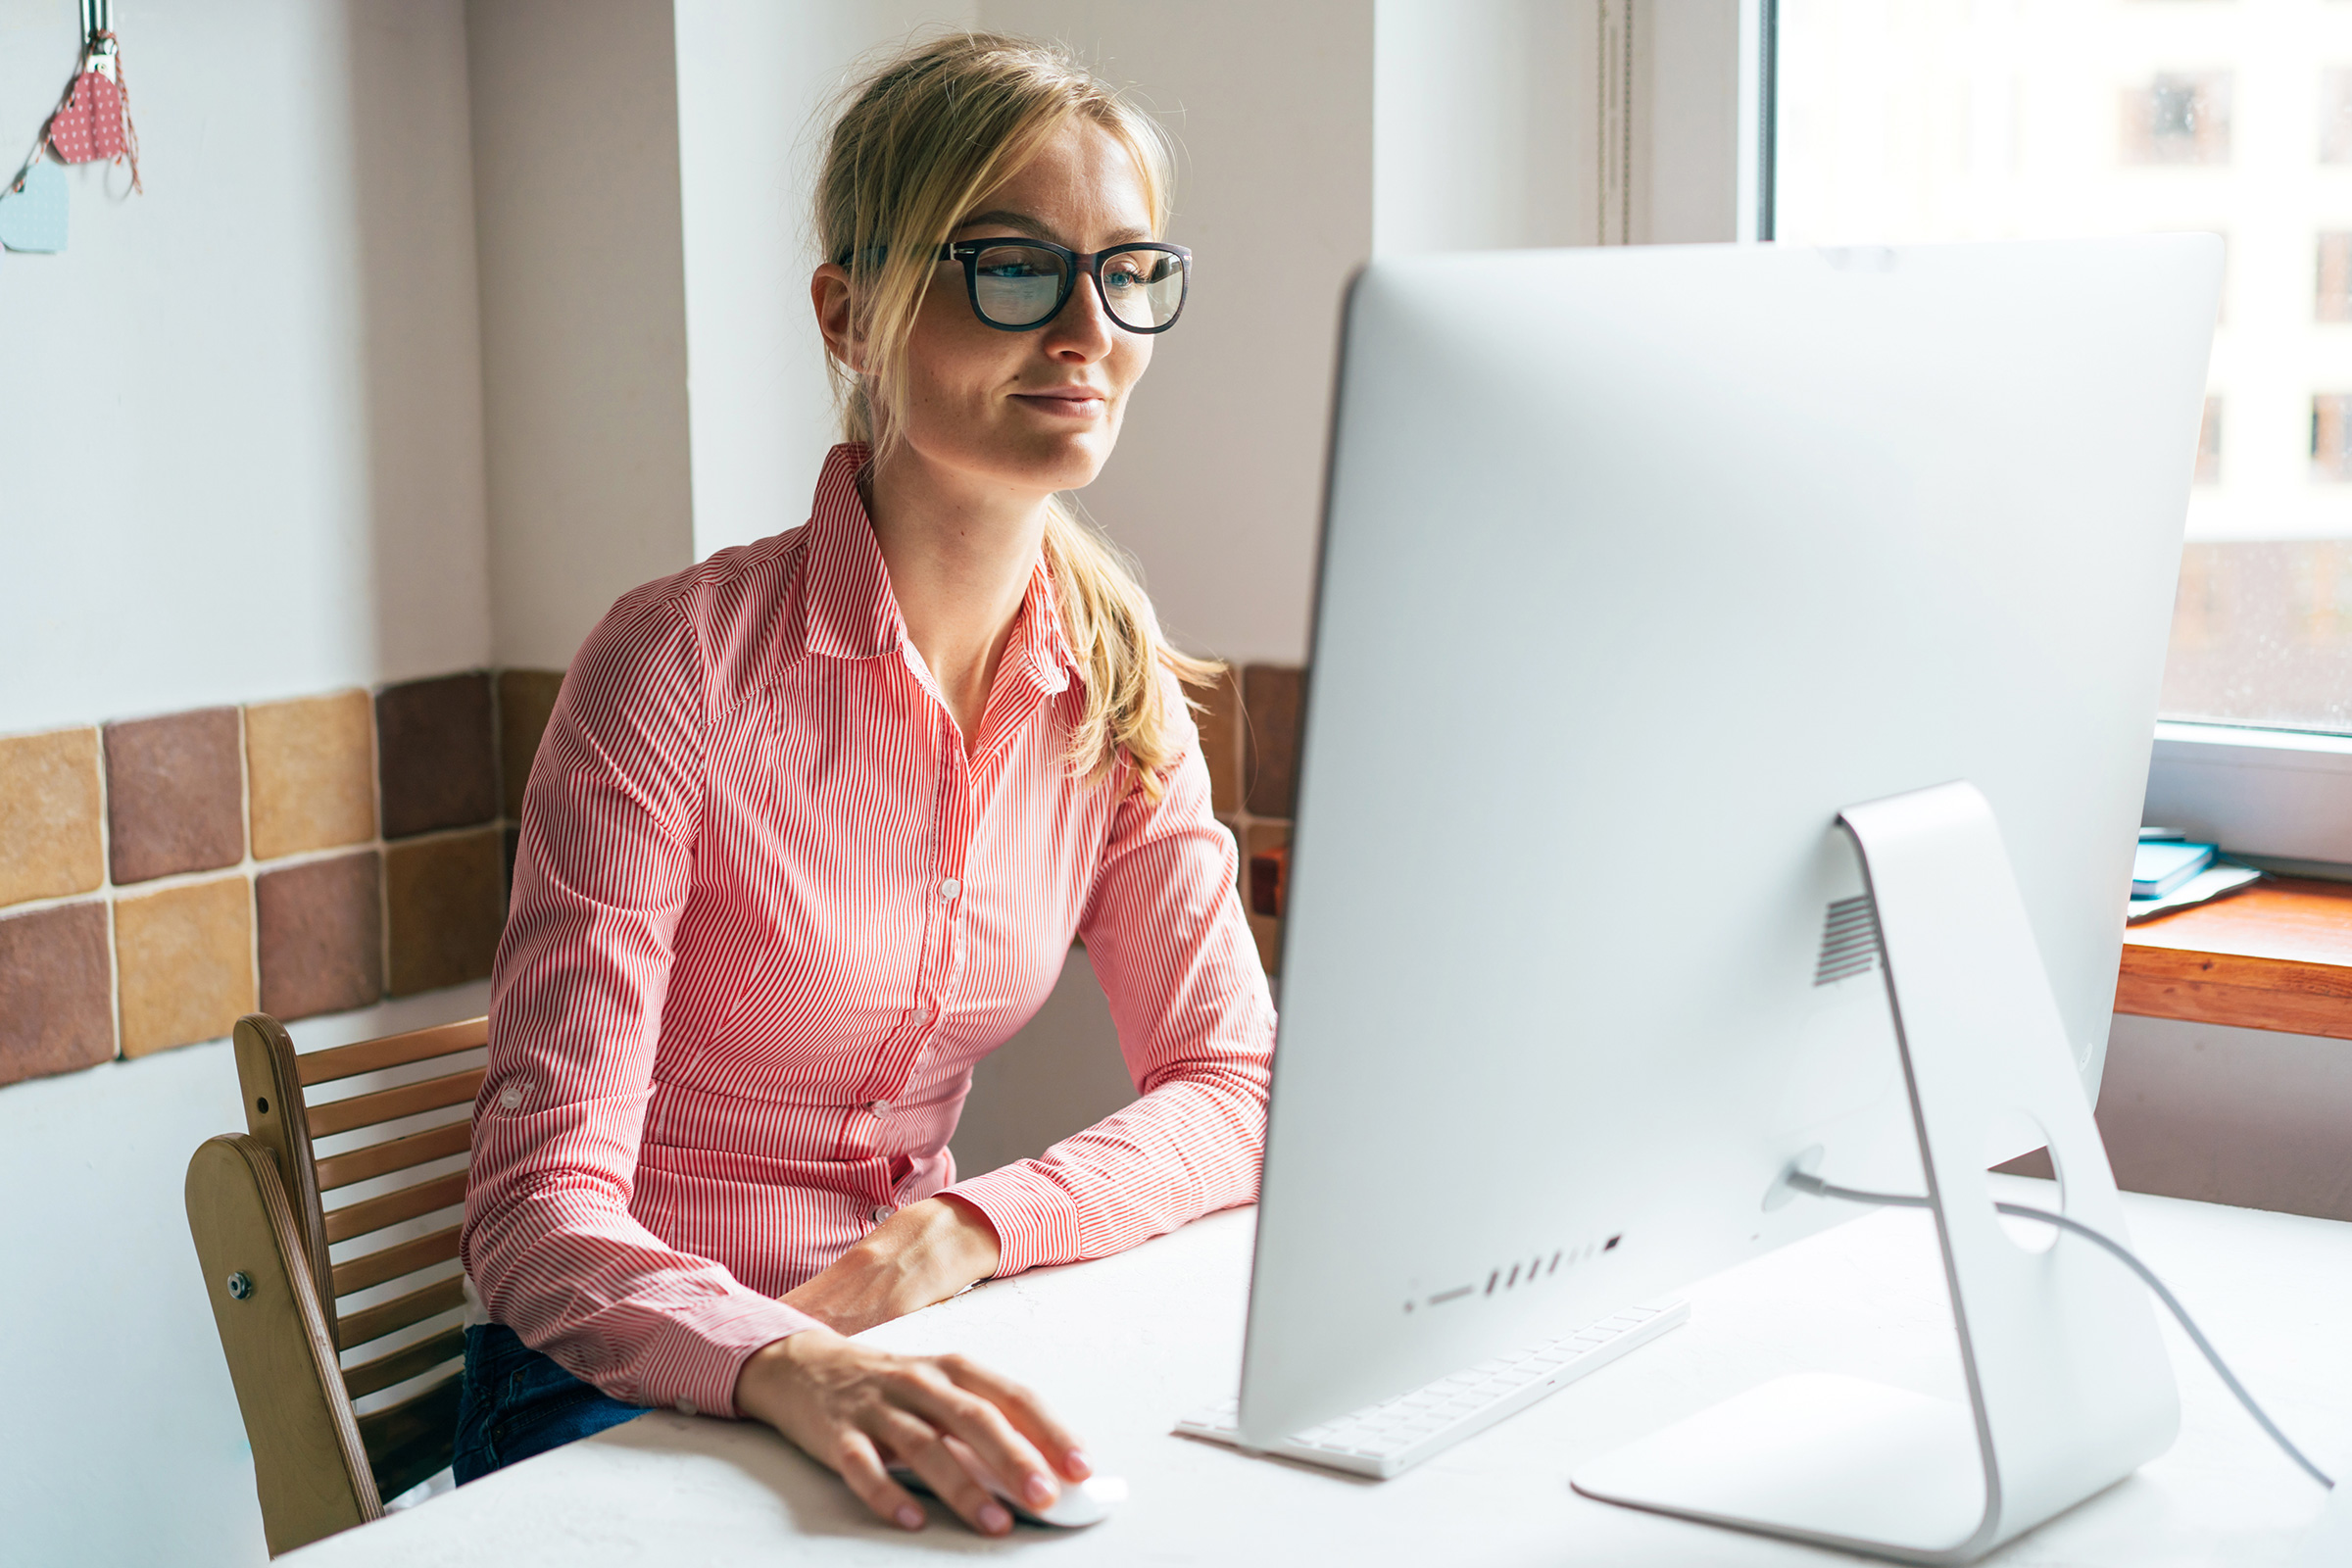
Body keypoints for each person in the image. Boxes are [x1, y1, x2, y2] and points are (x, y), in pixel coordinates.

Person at [451, 31, 1275, 1538]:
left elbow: (1239, 1084)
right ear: (850, 315)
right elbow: (533, 1215)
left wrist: (963, 1230)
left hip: (907, 1350)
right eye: (1014, 269)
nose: (1086, 330)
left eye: (1128, 270)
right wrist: (788, 1359)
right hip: (613, 1387)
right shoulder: (672, 670)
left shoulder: (1115, 685)